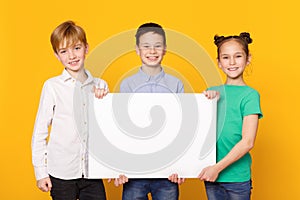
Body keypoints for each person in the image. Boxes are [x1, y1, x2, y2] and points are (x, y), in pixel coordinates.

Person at [31, 20, 108, 200]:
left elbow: (106, 132)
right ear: (57, 55)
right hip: (61, 172)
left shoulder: (100, 85)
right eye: (64, 51)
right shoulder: (52, 87)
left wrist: (103, 103)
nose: (72, 56)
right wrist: (40, 172)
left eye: (76, 48)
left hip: (92, 172)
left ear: (86, 48)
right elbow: (40, 131)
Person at [115, 22, 184, 200]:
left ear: (165, 49)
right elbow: (122, 127)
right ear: (137, 49)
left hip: (167, 172)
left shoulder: (176, 84)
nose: (152, 51)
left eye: (157, 46)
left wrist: (182, 166)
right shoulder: (127, 85)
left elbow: (182, 126)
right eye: (146, 46)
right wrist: (119, 166)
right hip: (135, 172)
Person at [198, 32, 263, 200]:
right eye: (226, 57)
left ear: (248, 59)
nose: (232, 62)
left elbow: (247, 142)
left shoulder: (250, 95)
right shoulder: (213, 92)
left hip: (236, 179)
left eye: (238, 56)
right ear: (219, 62)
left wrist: (217, 168)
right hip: (212, 176)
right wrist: (204, 102)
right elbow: (199, 133)